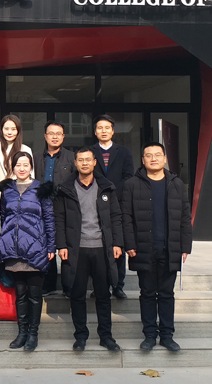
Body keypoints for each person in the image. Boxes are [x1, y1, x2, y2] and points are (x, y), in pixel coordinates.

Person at [121, 142, 193, 353]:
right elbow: (126, 217)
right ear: (142, 160)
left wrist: (185, 247)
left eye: (158, 155)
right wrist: (129, 243)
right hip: (143, 248)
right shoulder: (132, 184)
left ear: (164, 159)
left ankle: (167, 335)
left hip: (169, 248)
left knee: (167, 294)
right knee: (147, 293)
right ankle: (150, 335)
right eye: (149, 155)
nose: (153, 159)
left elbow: (185, 217)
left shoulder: (176, 184)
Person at [54, 147, 123, 352]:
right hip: (77, 249)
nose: (84, 163)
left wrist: (117, 243)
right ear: (75, 163)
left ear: (94, 163)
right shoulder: (65, 189)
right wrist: (61, 245)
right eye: (80, 160)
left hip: (101, 248)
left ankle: (106, 336)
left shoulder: (106, 188)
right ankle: (81, 336)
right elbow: (59, 219)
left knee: (103, 295)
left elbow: (116, 217)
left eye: (88, 160)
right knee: (77, 295)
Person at [0, 152, 55, 351]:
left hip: (36, 248)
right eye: (18, 165)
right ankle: (21, 333)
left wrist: (51, 246)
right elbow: (4, 218)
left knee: (34, 294)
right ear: (12, 168)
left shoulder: (41, 189)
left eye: (26, 164)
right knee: (20, 293)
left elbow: (49, 219)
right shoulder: (7, 190)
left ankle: (33, 334)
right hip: (14, 250)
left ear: (31, 167)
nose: (22, 168)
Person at [90, 114, 134, 300]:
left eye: (107, 128)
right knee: (98, 247)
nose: (103, 131)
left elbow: (128, 176)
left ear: (113, 131)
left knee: (118, 244)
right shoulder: (90, 152)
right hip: (95, 202)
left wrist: (112, 191)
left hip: (118, 202)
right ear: (95, 132)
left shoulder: (123, 152)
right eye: (100, 128)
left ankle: (118, 285)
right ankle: (100, 286)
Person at [33, 121, 76, 296]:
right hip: (42, 207)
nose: (55, 137)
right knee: (46, 245)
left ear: (63, 136)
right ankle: (48, 284)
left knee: (66, 245)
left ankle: (68, 286)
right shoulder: (36, 157)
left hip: (64, 207)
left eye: (59, 133)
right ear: (45, 136)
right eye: (51, 133)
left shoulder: (71, 158)